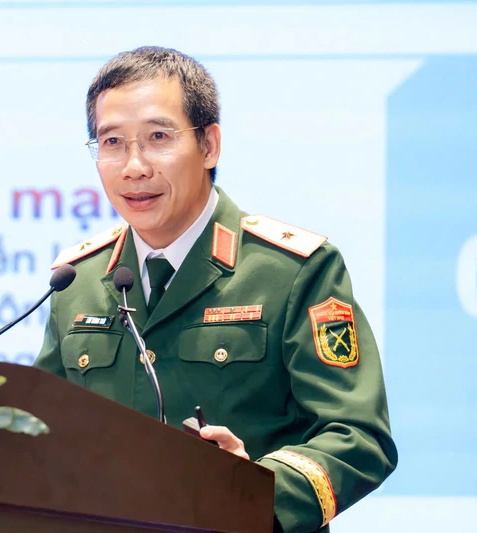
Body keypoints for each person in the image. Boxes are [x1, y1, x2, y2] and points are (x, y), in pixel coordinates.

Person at [33, 46, 397, 532]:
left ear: (209, 145)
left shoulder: (292, 271)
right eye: (113, 142)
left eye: (158, 137)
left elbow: (358, 435)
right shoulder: (75, 281)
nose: (134, 166)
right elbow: (36, 434)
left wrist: (252, 489)